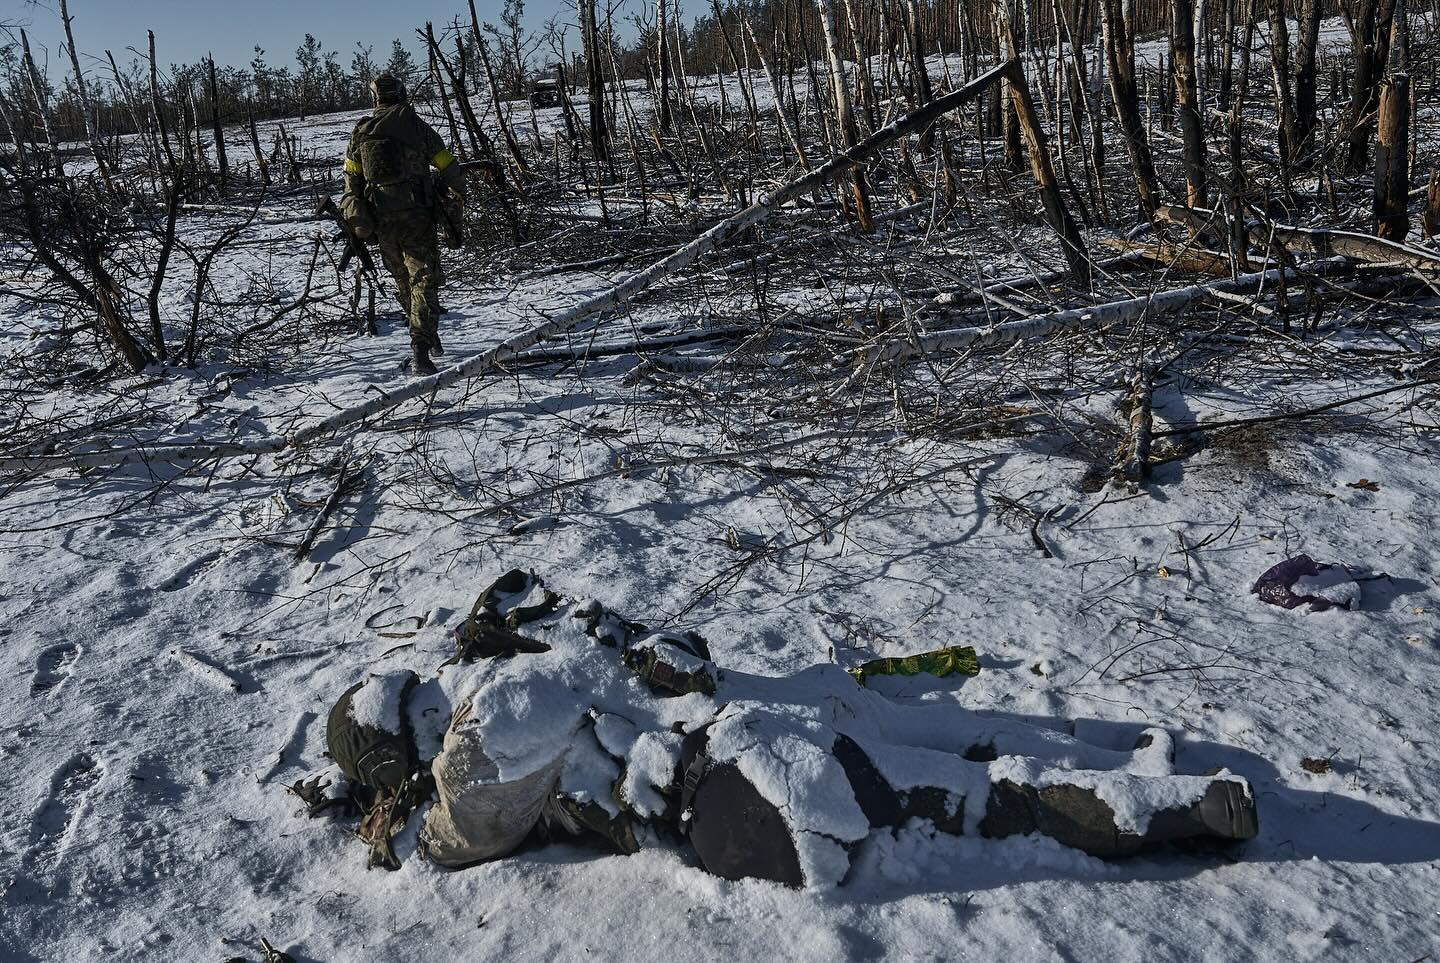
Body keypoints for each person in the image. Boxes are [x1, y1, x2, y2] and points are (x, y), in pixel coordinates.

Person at [324, 571, 1259, 886]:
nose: (434, 699)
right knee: (984, 800)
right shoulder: (458, 792)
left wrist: (630, 647)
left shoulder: (498, 682)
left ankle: (1143, 764)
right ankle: (1187, 808)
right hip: (744, 775)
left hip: (782, 707)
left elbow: (600, 648)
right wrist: (592, 660)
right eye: (415, 713)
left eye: (420, 689)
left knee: (969, 757)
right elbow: (498, 756)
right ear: (401, 753)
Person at [339, 73, 465, 376]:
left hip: (383, 223)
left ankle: (425, 336)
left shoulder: (361, 133)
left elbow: (350, 186)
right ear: (402, 94)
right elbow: (447, 165)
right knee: (423, 280)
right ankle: (421, 348)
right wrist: (459, 198)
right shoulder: (417, 127)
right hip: (418, 217)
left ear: (374, 98)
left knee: (403, 281)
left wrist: (358, 222)